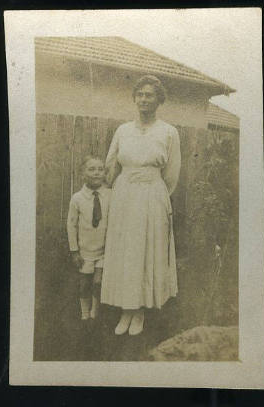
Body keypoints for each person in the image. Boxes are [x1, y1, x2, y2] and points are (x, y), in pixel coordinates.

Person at [101, 75, 181, 336]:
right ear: (135, 98)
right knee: (125, 250)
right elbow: (111, 164)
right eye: (140, 95)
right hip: (124, 196)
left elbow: (171, 174)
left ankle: (140, 311)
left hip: (152, 196)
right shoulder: (123, 130)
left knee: (146, 250)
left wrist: (155, 195)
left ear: (159, 100)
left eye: (150, 95)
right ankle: (126, 309)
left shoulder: (169, 132)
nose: (144, 99)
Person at [67, 156, 111, 321]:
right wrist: (74, 251)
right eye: (91, 169)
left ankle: (95, 312)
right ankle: (84, 313)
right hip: (85, 251)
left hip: (104, 250)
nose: (96, 173)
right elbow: (71, 225)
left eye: (100, 169)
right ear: (82, 174)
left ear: (105, 173)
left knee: (98, 283)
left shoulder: (109, 195)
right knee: (85, 283)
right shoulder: (77, 198)